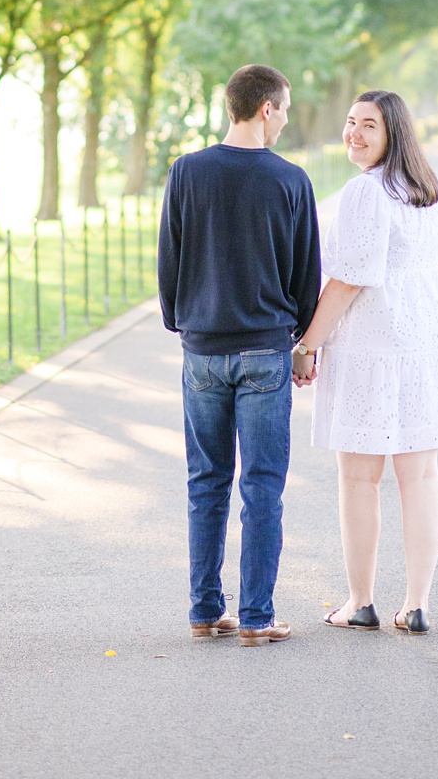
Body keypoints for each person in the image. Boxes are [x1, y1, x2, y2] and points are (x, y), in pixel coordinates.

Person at [293, 89, 438, 635]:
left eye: (368, 126)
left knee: (359, 476)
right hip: (426, 338)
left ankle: (360, 600)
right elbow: (437, 266)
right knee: (420, 474)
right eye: (350, 122)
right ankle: (417, 603)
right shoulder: (430, 189)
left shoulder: (365, 192)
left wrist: (308, 344)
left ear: (392, 133)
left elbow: (349, 278)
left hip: (373, 344)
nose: (353, 133)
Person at [157, 63, 320, 648]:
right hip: (265, 351)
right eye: (285, 108)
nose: (285, 120)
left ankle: (205, 611)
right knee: (261, 486)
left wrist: (182, 322)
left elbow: (169, 260)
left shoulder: (186, 173)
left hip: (201, 349)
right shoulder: (290, 181)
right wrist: (302, 342)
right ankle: (256, 617)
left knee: (206, 483)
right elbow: (307, 275)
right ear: (266, 108)